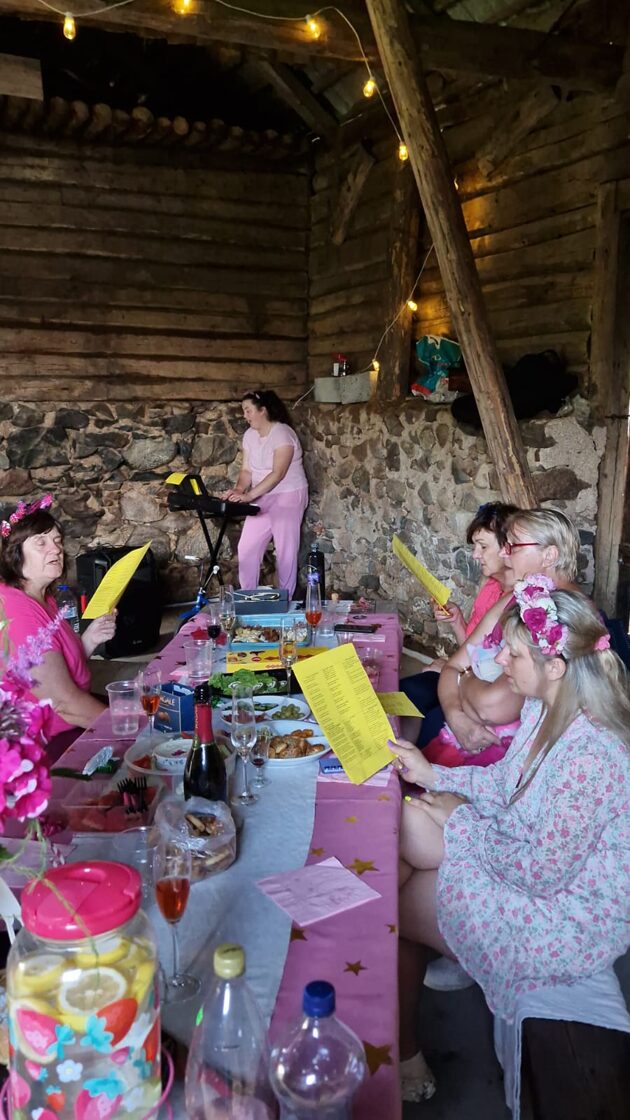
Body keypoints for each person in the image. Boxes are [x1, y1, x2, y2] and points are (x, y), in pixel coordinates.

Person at [390, 581, 630, 1103]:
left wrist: (459, 819)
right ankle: (399, 1031)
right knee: (406, 823)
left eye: (513, 653)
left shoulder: (594, 753)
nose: (498, 659)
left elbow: (541, 873)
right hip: (523, 847)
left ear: (555, 666)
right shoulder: (546, 708)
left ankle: (397, 1043)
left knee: (396, 898)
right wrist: (432, 775)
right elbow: (505, 784)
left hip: (564, 917)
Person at [433, 507, 581, 765]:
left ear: (549, 555)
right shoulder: (517, 598)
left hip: (521, 757)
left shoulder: (557, 615)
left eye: (513, 546)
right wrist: (456, 717)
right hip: (480, 735)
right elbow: (452, 666)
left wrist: (465, 676)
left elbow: (490, 706)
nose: (504, 553)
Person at [0, 495, 117, 758]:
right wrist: (131, 728)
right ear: (14, 554)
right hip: (43, 746)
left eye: (57, 541)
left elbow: (56, 667)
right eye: (41, 543)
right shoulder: (17, 611)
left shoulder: (43, 596)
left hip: (69, 723)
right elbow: (64, 704)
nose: (56, 550)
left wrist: (88, 640)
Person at [401, 501, 519, 747]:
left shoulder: (520, 602)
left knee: (415, 704)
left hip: (478, 691)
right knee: (403, 695)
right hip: (466, 678)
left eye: (483, 546)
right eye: (475, 546)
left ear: (509, 547)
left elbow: (489, 669)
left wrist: (454, 671)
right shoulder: (491, 587)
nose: (475, 555)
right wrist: (457, 622)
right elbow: (473, 649)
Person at [223, 390, 308, 597]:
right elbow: (246, 471)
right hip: (262, 496)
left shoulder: (283, 433)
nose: (245, 415)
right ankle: (248, 596)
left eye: (248, 410)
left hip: (288, 495)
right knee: (247, 547)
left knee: (285, 551)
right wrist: (239, 490)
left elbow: (278, 473)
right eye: (244, 411)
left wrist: (249, 497)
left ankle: (286, 599)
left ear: (263, 410)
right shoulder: (250, 435)